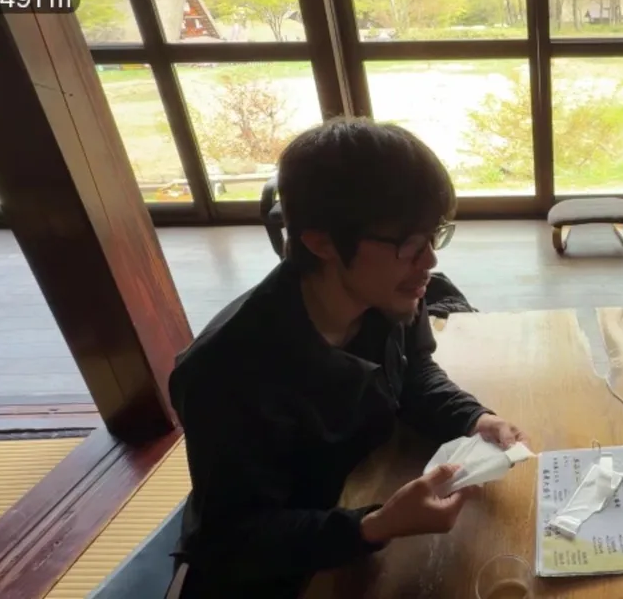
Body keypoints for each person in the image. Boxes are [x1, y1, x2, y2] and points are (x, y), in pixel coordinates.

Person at [167, 119, 526, 598]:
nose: (429, 262)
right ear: (321, 242)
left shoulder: (390, 296)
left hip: (365, 499)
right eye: (408, 244)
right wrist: (374, 526)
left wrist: (473, 418)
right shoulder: (226, 372)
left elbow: (413, 374)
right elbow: (233, 539)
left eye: (434, 236)